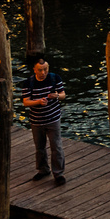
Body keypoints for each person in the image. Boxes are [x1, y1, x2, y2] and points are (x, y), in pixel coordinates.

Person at [20, 53, 67, 185]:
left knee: (56, 146)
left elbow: (63, 95)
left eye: (45, 69)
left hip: (53, 119)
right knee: (39, 147)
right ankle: (43, 170)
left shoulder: (54, 78)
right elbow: (26, 102)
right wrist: (38, 102)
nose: (43, 72)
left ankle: (58, 173)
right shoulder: (29, 83)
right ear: (34, 70)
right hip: (36, 121)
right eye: (40, 70)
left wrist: (56, 95)